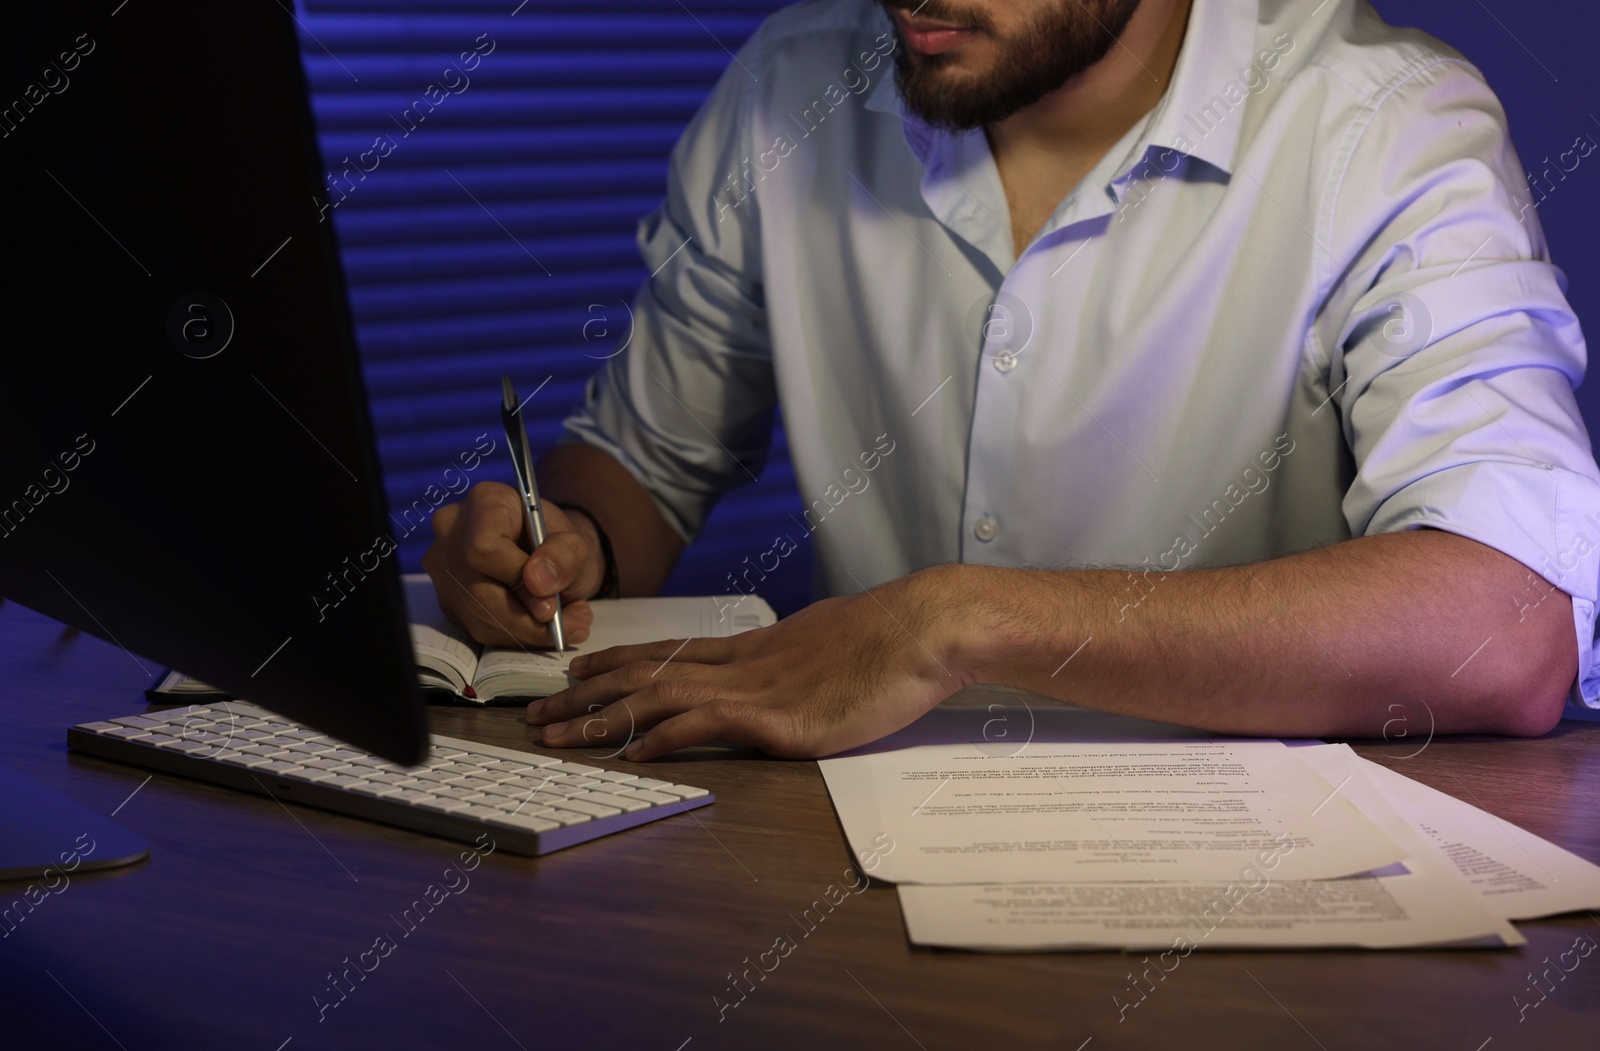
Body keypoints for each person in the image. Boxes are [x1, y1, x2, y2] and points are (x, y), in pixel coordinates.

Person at [422, 0, 1600, 761]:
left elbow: (1507, 620)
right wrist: (567, 537)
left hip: (1262, 890)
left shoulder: (1387, 124)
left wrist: (957, 621)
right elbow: (648, 457)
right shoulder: (790, 84)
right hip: (854, 856)